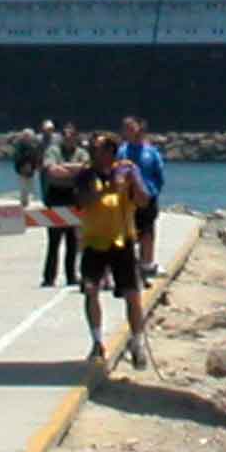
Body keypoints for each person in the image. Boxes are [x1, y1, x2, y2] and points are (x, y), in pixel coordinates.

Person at [74, 132, 152, 366]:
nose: (94, 152)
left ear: (110, 151)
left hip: (122, 240)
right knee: (91, 290)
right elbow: (82, 202)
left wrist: (133, 183)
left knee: (132, 294)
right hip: (94, 241)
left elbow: (143, 200)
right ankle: (97, 342)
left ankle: (137, 342)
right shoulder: (86, 175)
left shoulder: (127, 171)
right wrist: (106, 190)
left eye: (99, 148)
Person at [38, 122, 88, 288]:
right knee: (54, 241)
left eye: (71, 135)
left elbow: (85, 169)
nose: (68, 138)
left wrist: (64, 168)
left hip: (73, 197)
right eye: (65, 135)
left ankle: (71, 276)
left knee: (72, 240)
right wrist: (73, 171)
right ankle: (49, 277)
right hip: (55, 197)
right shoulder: (53, 150)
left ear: (76, 137)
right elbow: (51, 170)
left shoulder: (82, 152)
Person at [119, 115, 166, 281]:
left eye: (132, 128)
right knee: (128, 233)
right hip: (128, 198)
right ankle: (128, 266)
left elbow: (159, 176)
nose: (130, 132)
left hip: (148, 198)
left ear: (140, 129)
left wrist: (153, 192)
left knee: (147, 232)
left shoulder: (151, 152)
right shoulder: (122, 151)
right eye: (127, 129)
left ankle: (147, 264)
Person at [10, 125, 47, 209]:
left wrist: (37, 165)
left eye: (29, 136)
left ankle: (32, 202)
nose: (28, 137)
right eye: (26, 135)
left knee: (32, 186)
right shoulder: (19, 145)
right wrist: (22, 167)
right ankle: (24, 203)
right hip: (22, 169)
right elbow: (17, 157)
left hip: (32, 170)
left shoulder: (34, 145)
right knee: (23, 187)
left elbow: (37, 156)